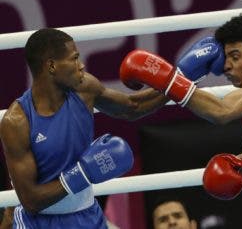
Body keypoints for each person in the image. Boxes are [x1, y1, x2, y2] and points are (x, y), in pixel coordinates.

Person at [119, 14, 242, 229]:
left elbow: (222, 110)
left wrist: (170, 79)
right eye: (226, 58)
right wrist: (236, 166)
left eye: (235, 56)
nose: (226, 66)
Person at [0, 27, 175, 229]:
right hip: (39, 223)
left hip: (87, 216)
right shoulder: (17, 121)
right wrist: (81, 173)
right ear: (51, 66)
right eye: (74, 58)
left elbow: (131, 107)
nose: (81, 65)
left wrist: (178, 83)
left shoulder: (84, 88)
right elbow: (30, 201)